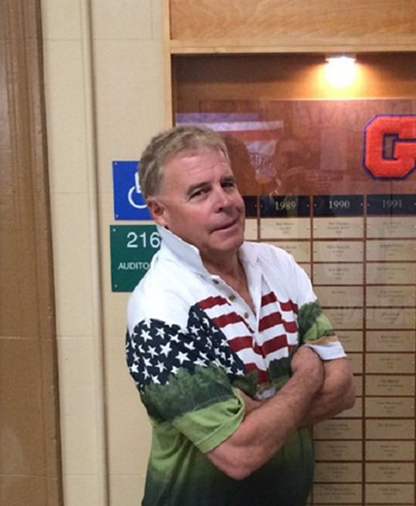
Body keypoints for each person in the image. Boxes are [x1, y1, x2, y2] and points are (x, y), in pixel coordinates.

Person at [125, 124, 355, 506]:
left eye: (228, 184)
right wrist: (309, 374)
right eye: (200, 192)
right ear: (159, 212)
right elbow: (238, 453)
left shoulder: (279, 265)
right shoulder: (159, 310)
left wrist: (257, 417)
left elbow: (343, 390)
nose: (225, 201)